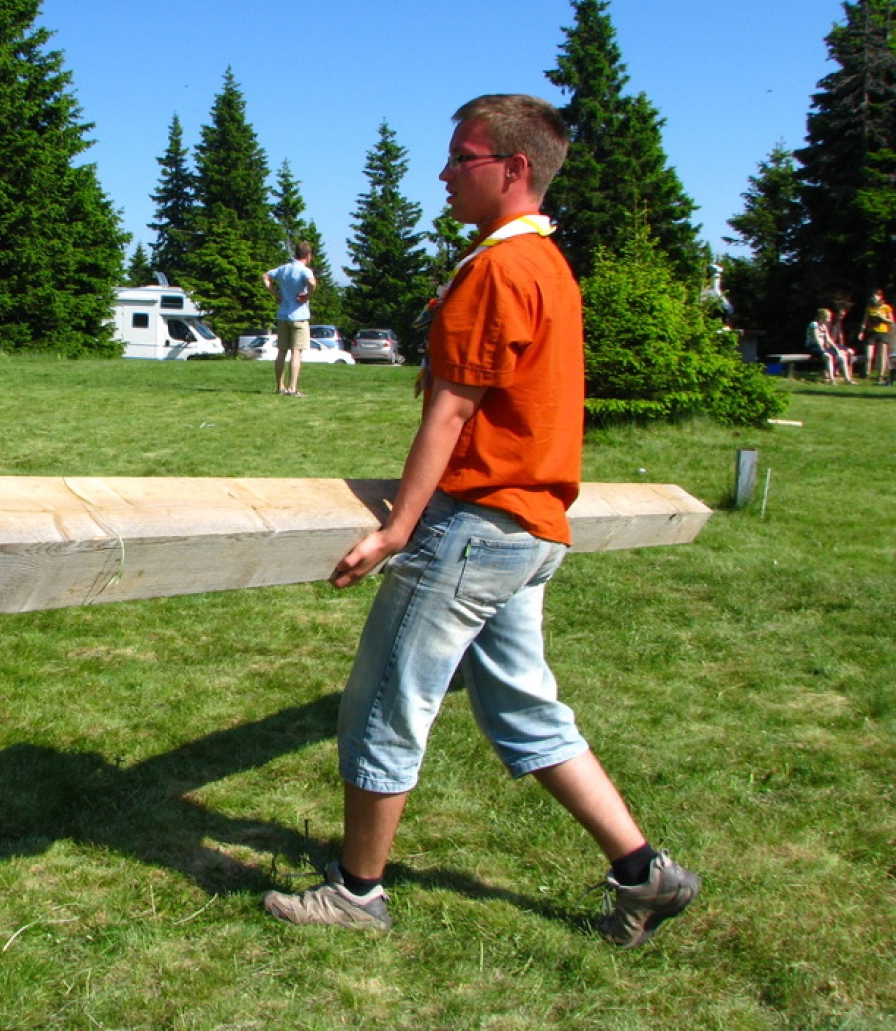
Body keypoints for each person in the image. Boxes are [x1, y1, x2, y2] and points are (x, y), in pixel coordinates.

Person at [262, 95, 700, 948]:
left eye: (462, 157)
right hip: (530, 533)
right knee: (526, 714)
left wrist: (396, 530)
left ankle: (357, 892)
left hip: (476, 529)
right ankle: (646, 874)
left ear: (514, 169)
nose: (444, 173)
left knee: (384, 703)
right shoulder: (548, 267)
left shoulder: (497, 270)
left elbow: (451, 413)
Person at [263, 242, 318, 397]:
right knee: (296, 352)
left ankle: (280, 386)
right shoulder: (304, 270)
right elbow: (312, 283)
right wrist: (308, 295)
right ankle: (292, 388)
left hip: (283, 314)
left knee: (281, 351)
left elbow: (265, 277)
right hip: (299, 316)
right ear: (308, 255)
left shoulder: (283, 269)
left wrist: (275, 294)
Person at [807, 309, 855, 384]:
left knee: (842, 357)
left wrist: (837, 350)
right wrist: (823, 350)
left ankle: (847, 379)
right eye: (828, 318)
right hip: (813, 347)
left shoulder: (824, 326)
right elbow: (816, 339)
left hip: (823, 347)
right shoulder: (814, 324)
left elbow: (829, 339)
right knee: (828, 356)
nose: (829, 320)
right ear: (822, 317)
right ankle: (832, 380)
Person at [858, 289, 892, 385]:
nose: (873, 298)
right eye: (872, 296)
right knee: (869, 355)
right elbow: (865, 321)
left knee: (882, 355)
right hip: (871, 333)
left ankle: (880, 375)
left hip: (883, 332)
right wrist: (861, 332)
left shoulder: (886, 308)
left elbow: (891, 321)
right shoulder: (869, 308)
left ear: (880, 296)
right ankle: (867, 374)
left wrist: (882, 318)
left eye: (875, 296)